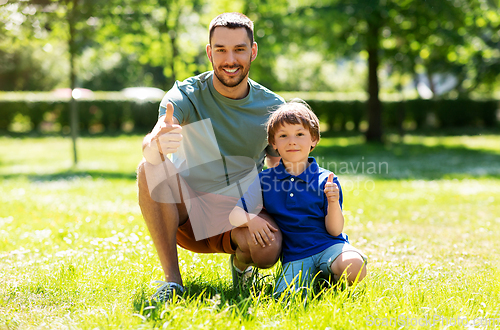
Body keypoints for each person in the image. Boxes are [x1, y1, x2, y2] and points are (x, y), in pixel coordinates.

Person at [136, 12, 285, 303]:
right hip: (187, 212)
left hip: (238, 213)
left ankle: (242, 268)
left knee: (267, 251)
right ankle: (172, 281)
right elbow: (151, 143)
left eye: (239, 49)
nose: (230, 59)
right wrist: (157, 141)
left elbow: (277, 166)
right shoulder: (186, 94)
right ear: (209, 52)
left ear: (252, 51)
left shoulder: (272, 107)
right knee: (149, 166)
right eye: (221, 50)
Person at [229, 100, 367, 295]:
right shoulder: (264, 180)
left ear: (314, 139)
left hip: (330, 246)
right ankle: (320, 279)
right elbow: (234, 216)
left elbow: (335, 230)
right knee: (285, 298)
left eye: (300, 134)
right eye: (283, 136)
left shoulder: (325, 179)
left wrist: (333, 202)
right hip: (296, 256)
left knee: (354, 266)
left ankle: (332, 280)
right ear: (273, 143)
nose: (292, 141)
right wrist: (251, 220)